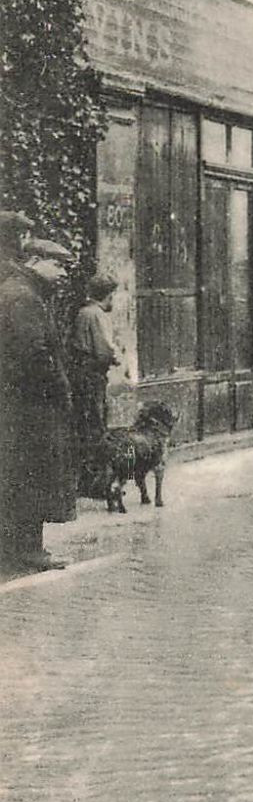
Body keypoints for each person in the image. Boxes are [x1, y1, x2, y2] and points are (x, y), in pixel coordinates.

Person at [0, 237, 78, 574]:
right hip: (30, 408)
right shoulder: (23, 297)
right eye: (58, 265)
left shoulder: (19, 291)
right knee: (32, 476)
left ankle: (16, 549)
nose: (63, 273)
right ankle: (30, 550)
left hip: (20, 406)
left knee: (18, 476)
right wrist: (59, 388)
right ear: (34, 260)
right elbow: (33, 355)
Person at [70, 272, 119, 494]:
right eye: (113, 295)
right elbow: (104, 350)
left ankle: (85, 480)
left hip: (81, 375)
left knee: (84, 424)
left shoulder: (82, 312)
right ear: (107, 295)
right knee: (97, 425)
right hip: (93, 376)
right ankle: (97, 485)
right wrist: (115, 357)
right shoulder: (97, 314)